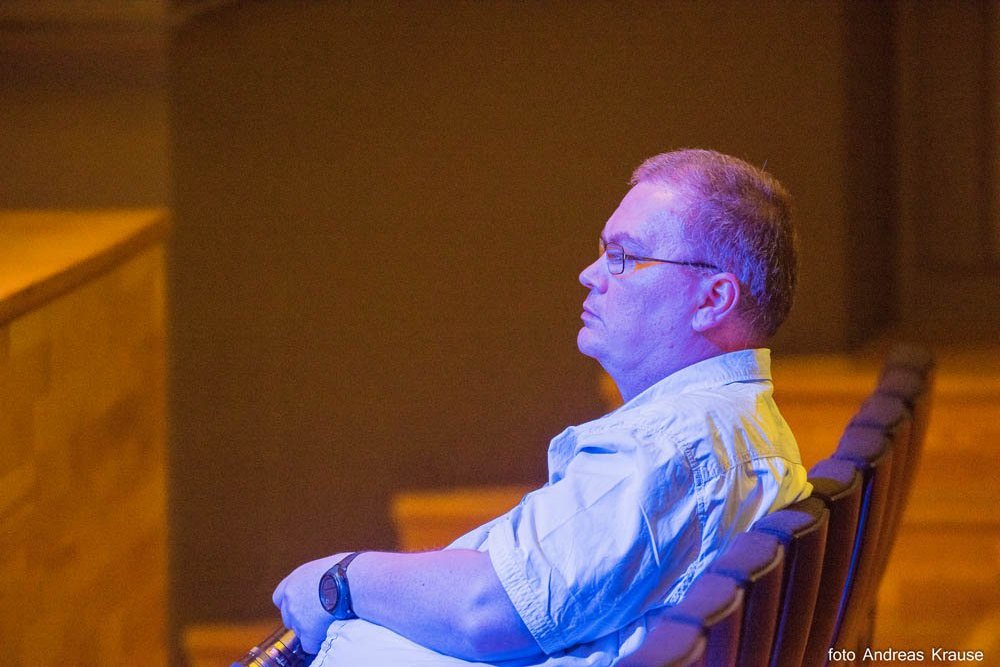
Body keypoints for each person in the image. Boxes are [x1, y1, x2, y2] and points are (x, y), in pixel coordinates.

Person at [272, 148, 811, 666]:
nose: (590, 274)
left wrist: (340, 580)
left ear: (712, 300)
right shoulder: (724, 425)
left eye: (622, 256)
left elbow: (490, 612)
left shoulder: (671, 445)